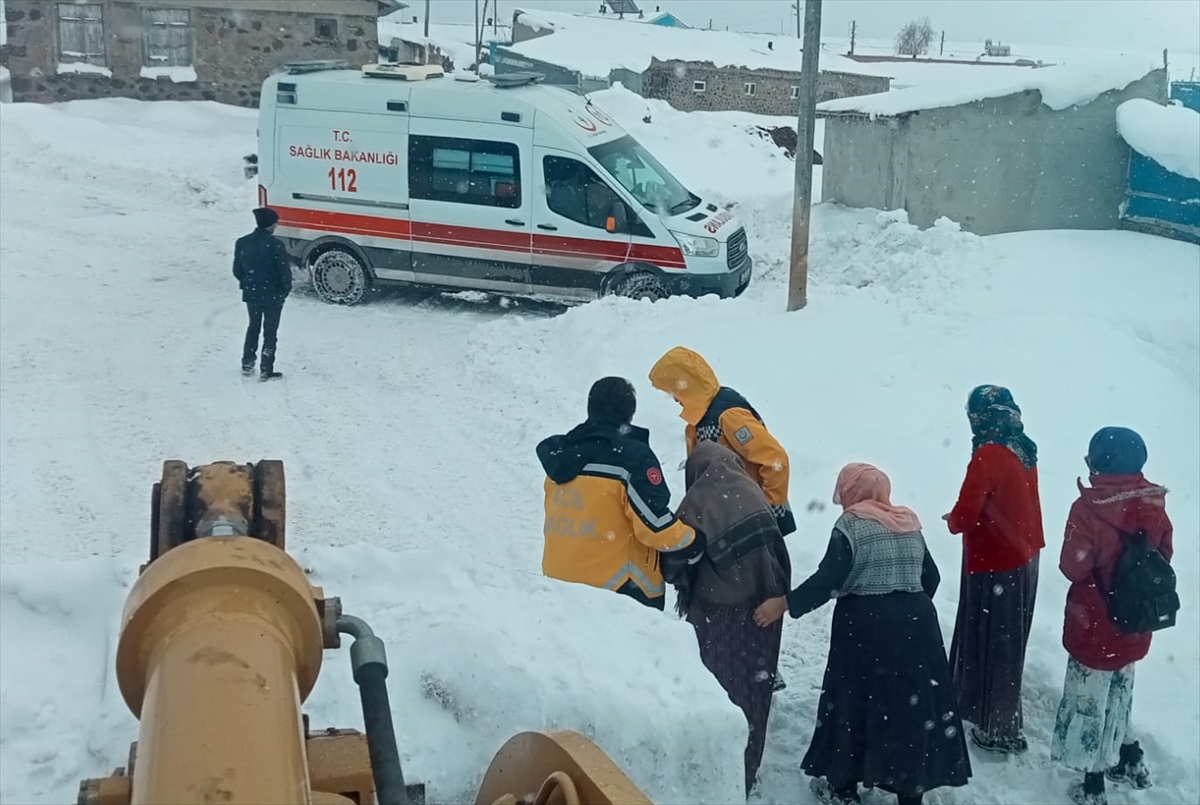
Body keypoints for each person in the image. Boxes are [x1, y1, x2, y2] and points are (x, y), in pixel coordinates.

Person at [754, 463, 971, 805]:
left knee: (854, 703)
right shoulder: (908, 523)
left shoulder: (851, 526)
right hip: (918, 626)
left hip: (866, 626)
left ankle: (843, 787)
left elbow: (828, 580)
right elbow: (931, 578)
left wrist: (783, 604)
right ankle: (909, 791)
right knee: (909, 709)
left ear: (851, 492)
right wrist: (905, 611)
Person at [662, 440, 791, 798]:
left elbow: (675, 562)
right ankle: (748, 769)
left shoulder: (697, 501)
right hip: (767, 609)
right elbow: (779, 552)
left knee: (721, 688)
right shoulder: (753, 491)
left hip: (720, 614)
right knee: (754, 687)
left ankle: (721, 772)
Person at [1051, 427, 1173, 805]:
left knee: (1089, 703)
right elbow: (1165, 552)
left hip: (1095, 622)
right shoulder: (1154, 501)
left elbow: (1073, 567)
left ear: (1099, 462)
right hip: (1136, 621)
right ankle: (1131, 759)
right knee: (1120, 693)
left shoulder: (1088, 509)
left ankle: (1093, 785)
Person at [537, 377, 704, 611]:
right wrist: (694, 542)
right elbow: (654, 527)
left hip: (559, 583)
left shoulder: (561, 455)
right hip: (616, 592)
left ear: (590, 408)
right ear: (630, 413)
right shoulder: (632, 459)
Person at [944, 384, 1045, 754]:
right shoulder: (1022, 446)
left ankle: (998, 728)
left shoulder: (988, 454)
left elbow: (966, 514)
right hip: (1025, 555)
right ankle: (998, 713)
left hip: (995, 560)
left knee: (991, 638)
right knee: (1009, 637)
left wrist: (953, 521)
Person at [648, 345, 795, 537]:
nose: (675, 399)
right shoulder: (697, 423)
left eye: (674, 392)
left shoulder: (729, 416)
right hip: (725, 520)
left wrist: (768, 509)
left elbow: (776, 460)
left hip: (747, 520)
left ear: (687, 386)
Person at [233, 206, 292, 380]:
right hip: (272, 294)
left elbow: (237, 270)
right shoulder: (276, 245)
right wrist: (284, 291)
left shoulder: (242, 242)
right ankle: (266, 368)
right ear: (271, 224)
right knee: (270, 332)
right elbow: (284, 273)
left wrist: (247, 283)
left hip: (252, 293)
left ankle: (247, 362)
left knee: (253, 327)